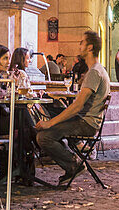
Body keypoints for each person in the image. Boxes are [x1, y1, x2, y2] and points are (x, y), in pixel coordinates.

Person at [34, 29, 110, 187]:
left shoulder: (95, 72)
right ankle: (71, 162)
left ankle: (74, 164)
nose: (79, 45)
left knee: (44, 137)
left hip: (86, 124)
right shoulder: (96, 70)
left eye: (82, 42)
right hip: (86, 120)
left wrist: (50, 123)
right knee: (50, 108)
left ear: (89, 47)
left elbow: (77, 106)